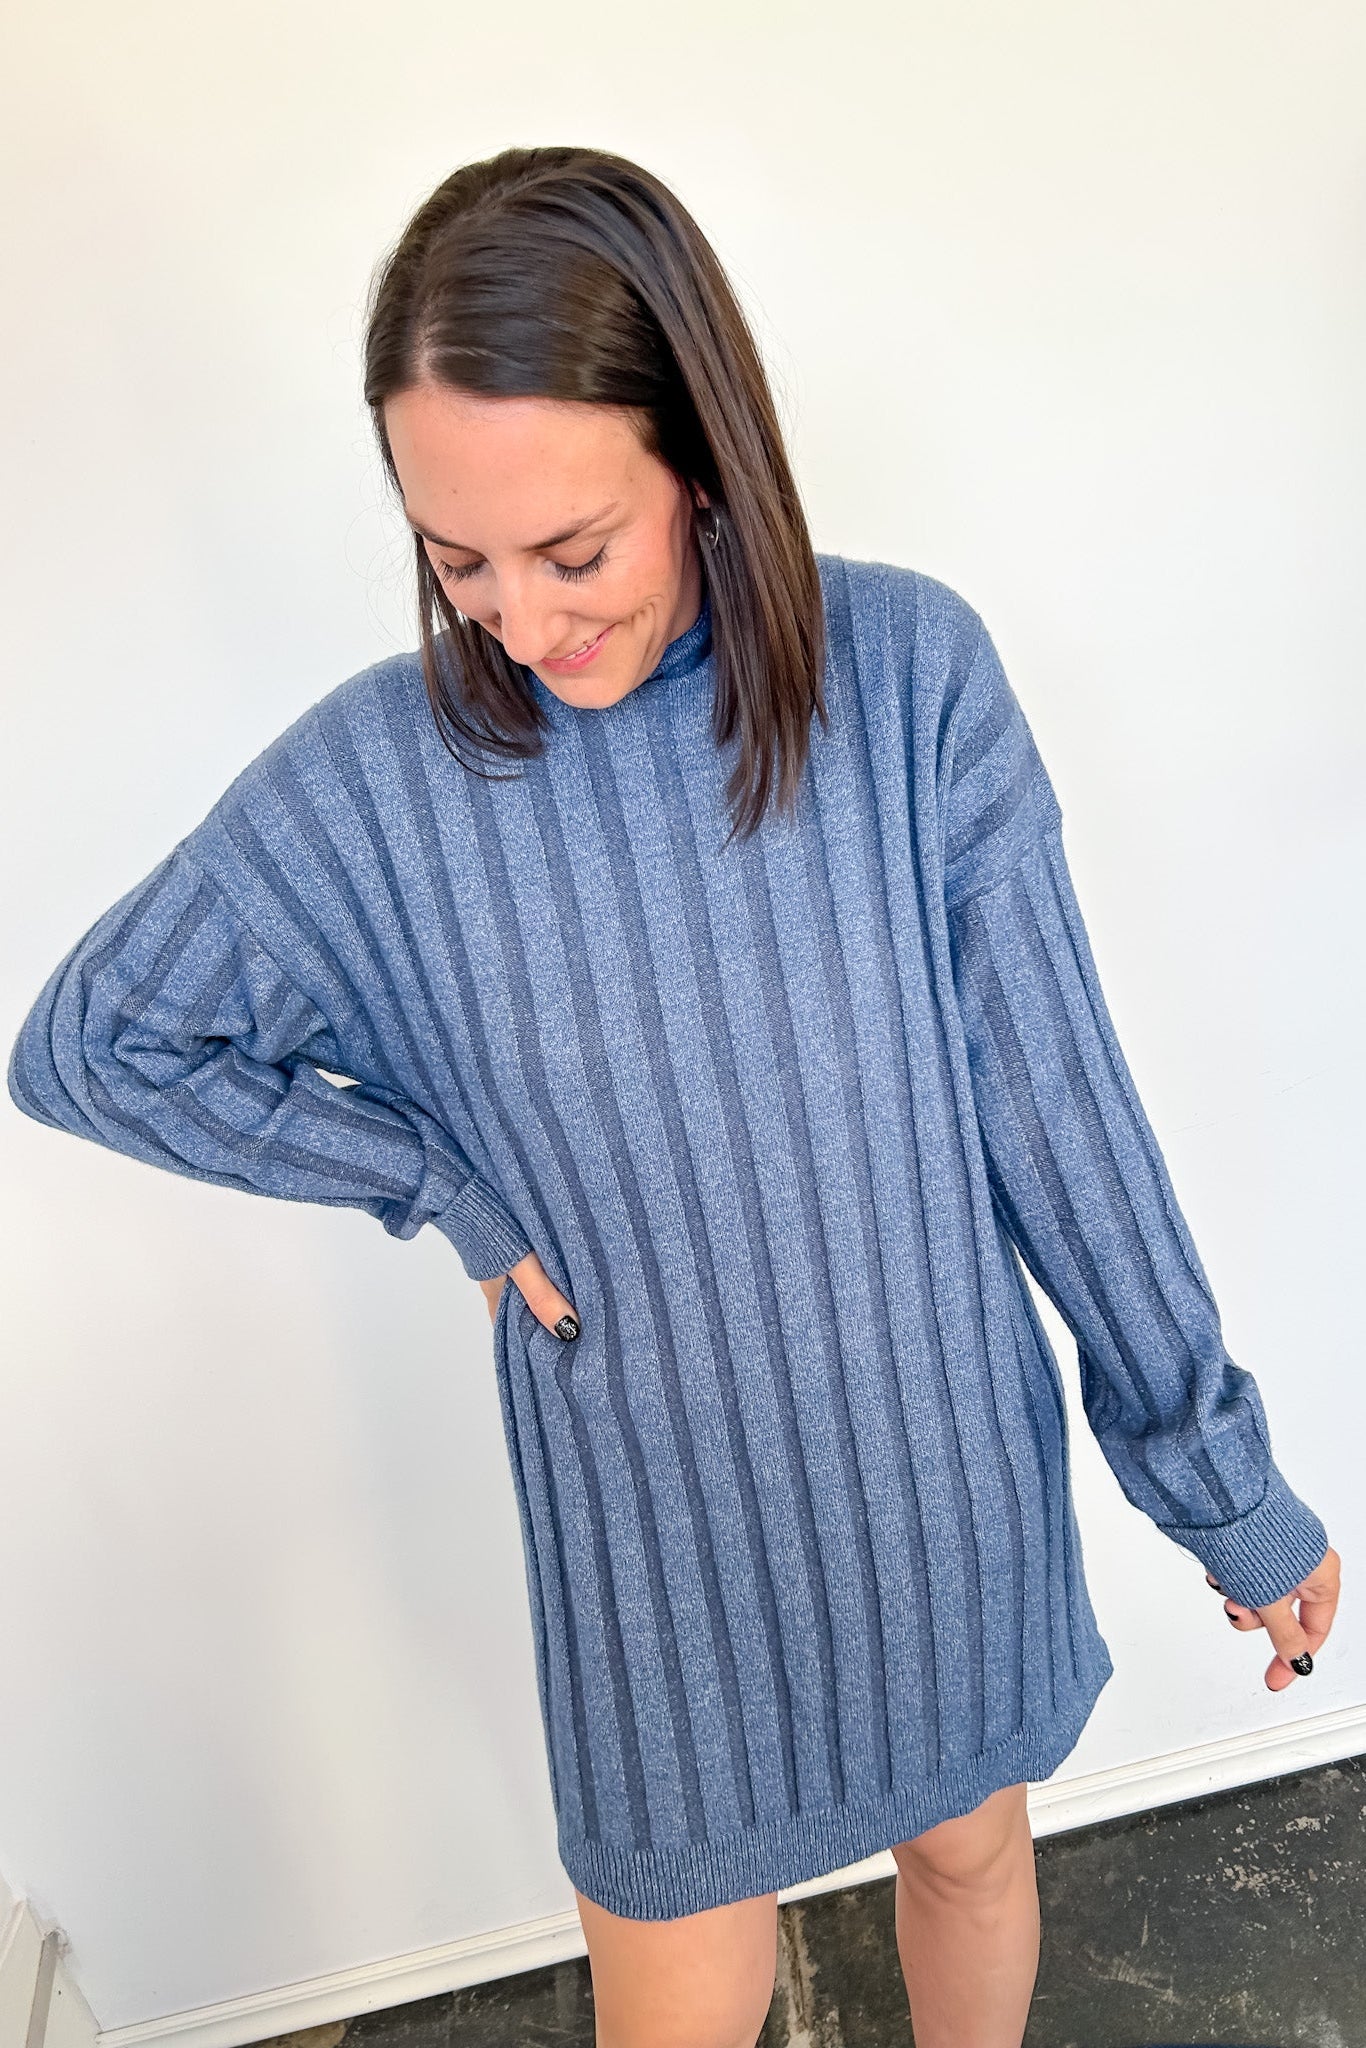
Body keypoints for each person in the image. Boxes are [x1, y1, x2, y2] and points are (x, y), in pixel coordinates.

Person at [8, 143, 1340, 2048]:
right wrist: (432, 1186)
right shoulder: (377, 786)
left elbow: (1063, 1127)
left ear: (703, 462)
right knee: (678, 1975)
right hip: (652, 1534)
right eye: (455, 562)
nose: (520, 624)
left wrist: (1227, 1492)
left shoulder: (908, 683)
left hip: (936, 1457)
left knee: (969, 1854)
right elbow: (91, 1046)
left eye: (574, 552)